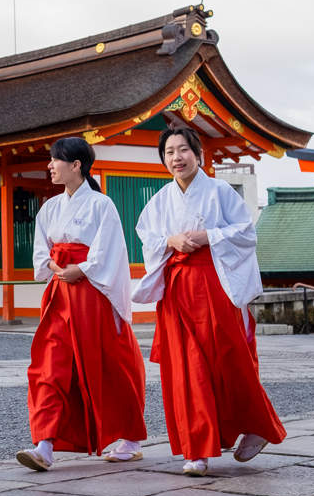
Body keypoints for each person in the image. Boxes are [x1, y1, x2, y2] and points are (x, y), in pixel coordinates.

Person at [132, 126, 284, 476]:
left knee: (229, 360)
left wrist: (208, 236)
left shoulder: (219, 192)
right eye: (169, 152)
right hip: (176, 291)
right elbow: (147, 236)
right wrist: (170, 240)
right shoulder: (160, 200)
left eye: (183, 150)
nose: (176, 158)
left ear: (198, 155)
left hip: (214, 285)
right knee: (185, 369)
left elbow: (247, 232)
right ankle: (196, 449)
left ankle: (255, 425)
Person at [16, 137, 147, 471]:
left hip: (93, 295)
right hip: (60, 294)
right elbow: (41, 252)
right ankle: (44, 445)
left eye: (55, 160)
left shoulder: (102, 206)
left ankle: (130, 437)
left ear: (76, 165)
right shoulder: (50, 208)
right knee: (50, 365)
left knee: (108, 364)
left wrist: (83, 269)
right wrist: (58, 268)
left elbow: (110, 252)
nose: (50, 166)